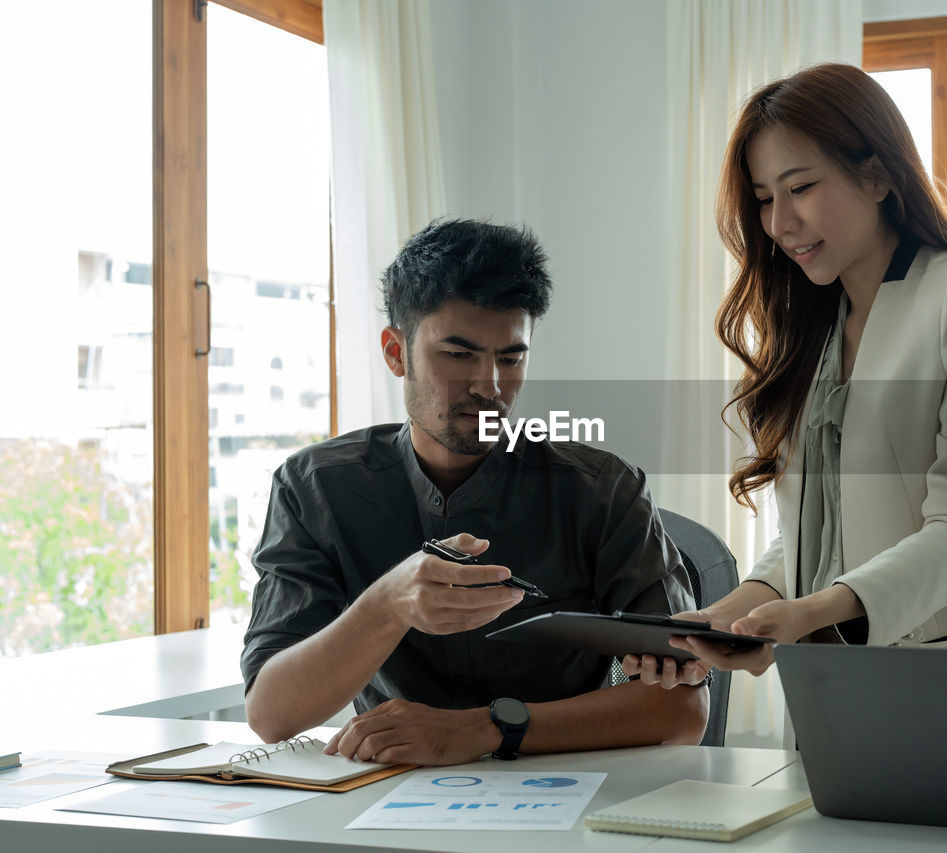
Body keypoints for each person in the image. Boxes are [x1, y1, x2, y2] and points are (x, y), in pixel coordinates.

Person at [626, 62, 947, 690]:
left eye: (801, 187)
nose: (780, 223)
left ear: (876, 175)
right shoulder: (810, 332)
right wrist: (722, 620)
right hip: (846, 694)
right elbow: (817, 535)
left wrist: (808, 614)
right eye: (763, 199)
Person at [242, 218, 708, 765]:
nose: (488, 386)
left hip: (560, 786)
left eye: (510, 358)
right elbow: (272, 716)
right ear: (396, 353)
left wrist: (486, 729)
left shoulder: (601, 488)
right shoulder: (314, 487)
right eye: (458, 355)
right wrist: (389, 603)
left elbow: (682, 711)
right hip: (386, 794)